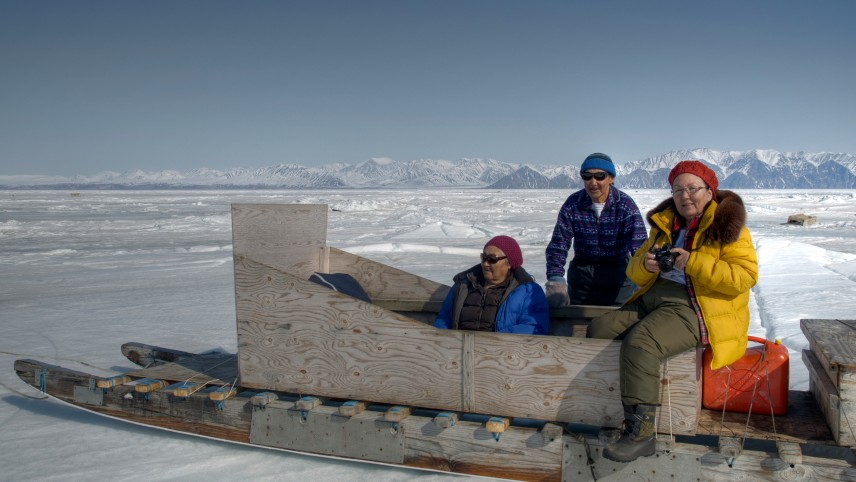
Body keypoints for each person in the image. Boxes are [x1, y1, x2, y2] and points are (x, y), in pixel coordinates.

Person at [588, 160, 759, 462]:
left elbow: (744, 278)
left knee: (641, 344)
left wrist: (692, 262)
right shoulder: (666, 224)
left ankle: (641, 433)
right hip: (654, 296)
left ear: (710, 191)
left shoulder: (728, 228)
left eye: (693, 188)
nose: (685, 196)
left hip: (696, 305)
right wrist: (647, 264)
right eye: (678, 190)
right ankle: (610, 405)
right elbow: (634, 269)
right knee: (598, 330)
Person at [545, 153, 647, 307]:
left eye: (600, 176)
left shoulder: (625, 206)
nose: (593, 182)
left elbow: (640, 246)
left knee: (618, 324)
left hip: (619, 279)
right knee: (575, 325)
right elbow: (559, 244)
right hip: (582, 279)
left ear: (611, 178)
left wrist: (644, 278)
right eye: (587, 176)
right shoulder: (573, 204)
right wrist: (555, 280)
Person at [434, 235, 550, 335]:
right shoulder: (463, 286)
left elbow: (533, 327)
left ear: (509, 263)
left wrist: (491, 343)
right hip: (458, 351)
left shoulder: (529, 291)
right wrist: (447, 341)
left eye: (492, 259)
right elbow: (444, 320)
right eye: (483, 258)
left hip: (504, 354)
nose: (485, 264)